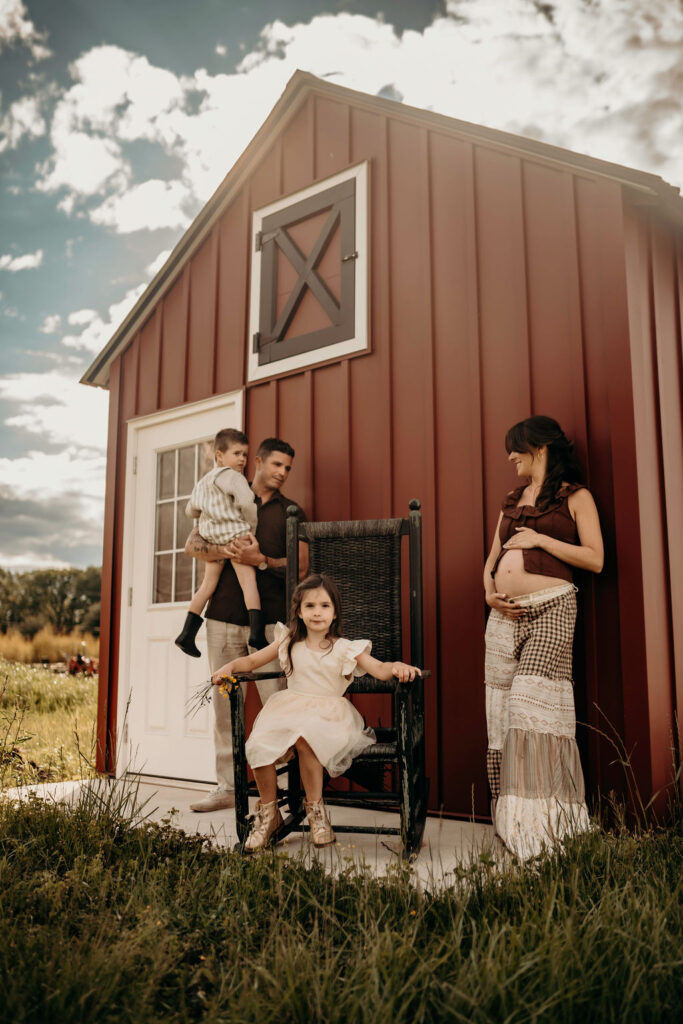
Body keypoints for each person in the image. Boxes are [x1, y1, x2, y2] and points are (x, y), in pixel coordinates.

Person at [212, 573, 421, 852]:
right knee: (259, 744)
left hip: (329, 714)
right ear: (299, 612)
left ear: (335, 613)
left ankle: (316, 812)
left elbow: (380, 669)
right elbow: (253, 659)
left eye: (324, 606)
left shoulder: (345, 648)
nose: (317, 612)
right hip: (289, 708)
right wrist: (229, 667)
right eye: (310, 606)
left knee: (307, 740)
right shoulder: (288, 641)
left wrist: (397, 667)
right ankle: (269, 814)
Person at [483, 415, 604, 860]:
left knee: (530, 710)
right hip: (502, 618)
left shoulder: (576, 497)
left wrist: (541, 540)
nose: (511, 457)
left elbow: (595, 559)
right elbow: (491, 558)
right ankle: (510, 820)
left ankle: (547, 825)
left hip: (552, 608)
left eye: (516, 448)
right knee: (500, 714)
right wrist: (489, 594)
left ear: (539, 447)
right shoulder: (512, 500)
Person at [184, 437, 308, 813]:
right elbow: (192, 545)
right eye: (277, 465)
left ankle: (288, 793)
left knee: (277, 704)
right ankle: (226, 786)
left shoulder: (292, 512)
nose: (283, 473)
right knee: (226, 709)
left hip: (269, 626)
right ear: (256, 461)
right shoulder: (223, 495)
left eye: (288, 468)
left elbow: (301, 566)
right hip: (221, 618)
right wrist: (229, 549)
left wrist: (261, 560)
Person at [175, 428, 266, 658]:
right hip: (236, 535)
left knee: (207, 585)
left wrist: (208, 512)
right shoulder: (234, 478)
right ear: (219, 455)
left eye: (245, 455)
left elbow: (189, 510)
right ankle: (257, 634)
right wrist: (251, 528)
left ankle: (186, 634)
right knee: (249, 583)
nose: (242, 460)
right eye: (237, 454)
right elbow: (246, 503)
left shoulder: (203, 482)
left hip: (211, 538)